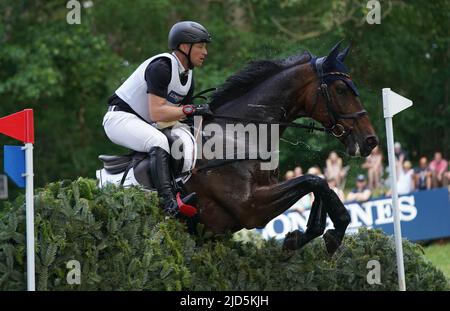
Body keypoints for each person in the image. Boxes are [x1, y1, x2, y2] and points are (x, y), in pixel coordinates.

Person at [102, 21, 212, 217]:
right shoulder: (161, 66)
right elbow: (157, 113)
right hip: (119, 118)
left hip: (144, 123)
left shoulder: (188, 77)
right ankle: (168, 204)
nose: (205, 52)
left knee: (183, 137)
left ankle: (178, 189)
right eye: (201, 46)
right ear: (185, 47)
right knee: (158, 141)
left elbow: (182, 118)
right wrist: (191, 109)